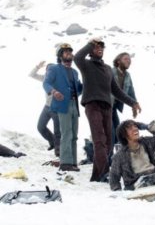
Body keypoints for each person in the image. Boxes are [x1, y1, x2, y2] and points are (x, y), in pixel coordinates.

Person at [74, 37, 142, 182]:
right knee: (99, 141)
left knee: (109, 142)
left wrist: (133, 103)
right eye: (96, 47)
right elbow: (77, 57)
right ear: (91, 51)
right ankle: (105, 173)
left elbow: (116, 91)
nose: (100, 49)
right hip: (93, 105)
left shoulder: (107, 69)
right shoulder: (86, 65)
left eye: (101, 47)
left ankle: (97, 176)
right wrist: (90, 44)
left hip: (107, 107)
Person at [43, 43, 83, 172]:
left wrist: (85, 85)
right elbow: (46, 83)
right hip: (62, 105)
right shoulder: (54, 69)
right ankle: (65, 163)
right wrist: (54, 92)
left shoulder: (75, 72)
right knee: (66, 133)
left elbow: (78, 90)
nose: (69, 54)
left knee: (75, 135)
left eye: (70, 51)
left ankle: (73, 162)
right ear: (60, 55)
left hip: (74, 105)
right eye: (65, 52)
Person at [109, 119, 155, 191]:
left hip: (153, 177)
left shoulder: (146, 143)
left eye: (136, 126)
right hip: (135, 185)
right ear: (124, 134)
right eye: (130, 128)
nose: (135, 129)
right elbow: (114, 176)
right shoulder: (119, 155)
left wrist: (147, 126)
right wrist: (118, 192)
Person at [29, 61, 61, 156]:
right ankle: (52, 142)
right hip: (47, 107)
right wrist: (37, 66)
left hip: (57, 108)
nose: (49, 72)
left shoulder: (59, 80)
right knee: (41, 127)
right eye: (47, 70)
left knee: (58, 131)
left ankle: (59, 152)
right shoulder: (45, 78)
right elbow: (31, 75)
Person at [111, 52, 137, 154]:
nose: (128, 61)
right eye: (125, 59)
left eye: (129, 59)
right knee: (111, 132)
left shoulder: (127, 76)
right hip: (107, 105)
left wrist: (134, 105)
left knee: (118, 131)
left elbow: (131, 91)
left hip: (114, 107)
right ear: (118, 61)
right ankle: (109, 158)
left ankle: (118, 156)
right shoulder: (111, 72)